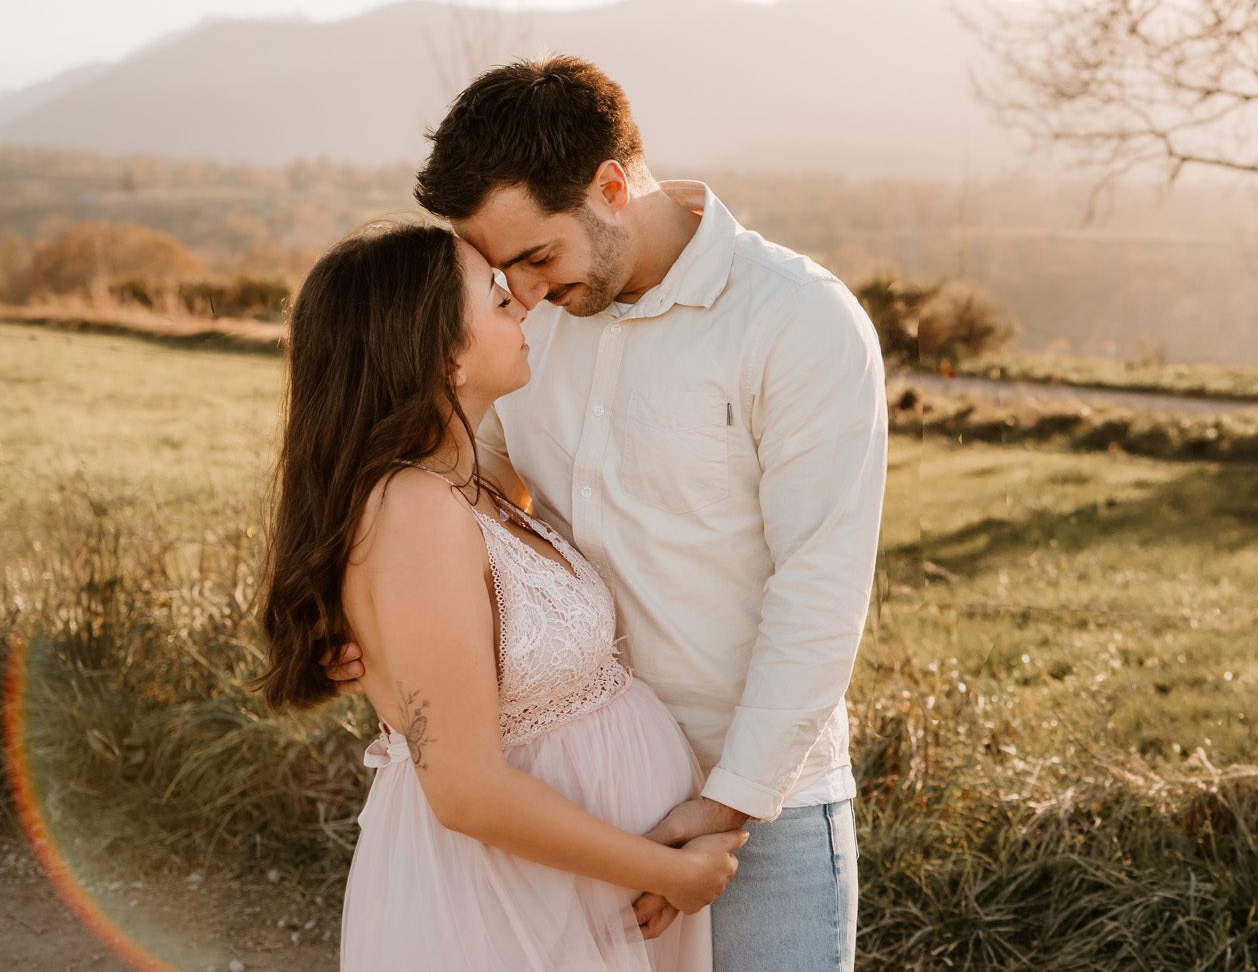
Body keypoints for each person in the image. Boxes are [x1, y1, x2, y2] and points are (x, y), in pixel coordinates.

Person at [336, 54, 889, 969]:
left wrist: (726, 805)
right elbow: (472, 500)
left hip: (759, 809)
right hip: (574, 810)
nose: (525, 288)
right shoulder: (525, 324)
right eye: (500, 268)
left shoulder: (798, 322)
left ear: (612, 184)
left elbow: (821, 595)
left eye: (537, 255)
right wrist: (366, 619)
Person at [256, 221, 747, 970]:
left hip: (574, 891)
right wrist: (672, 872)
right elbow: (465, 790)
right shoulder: (413, 510)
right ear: (445, 354)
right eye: (493, 294)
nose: (522, 302)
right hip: (505, 904)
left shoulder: (465, 486)